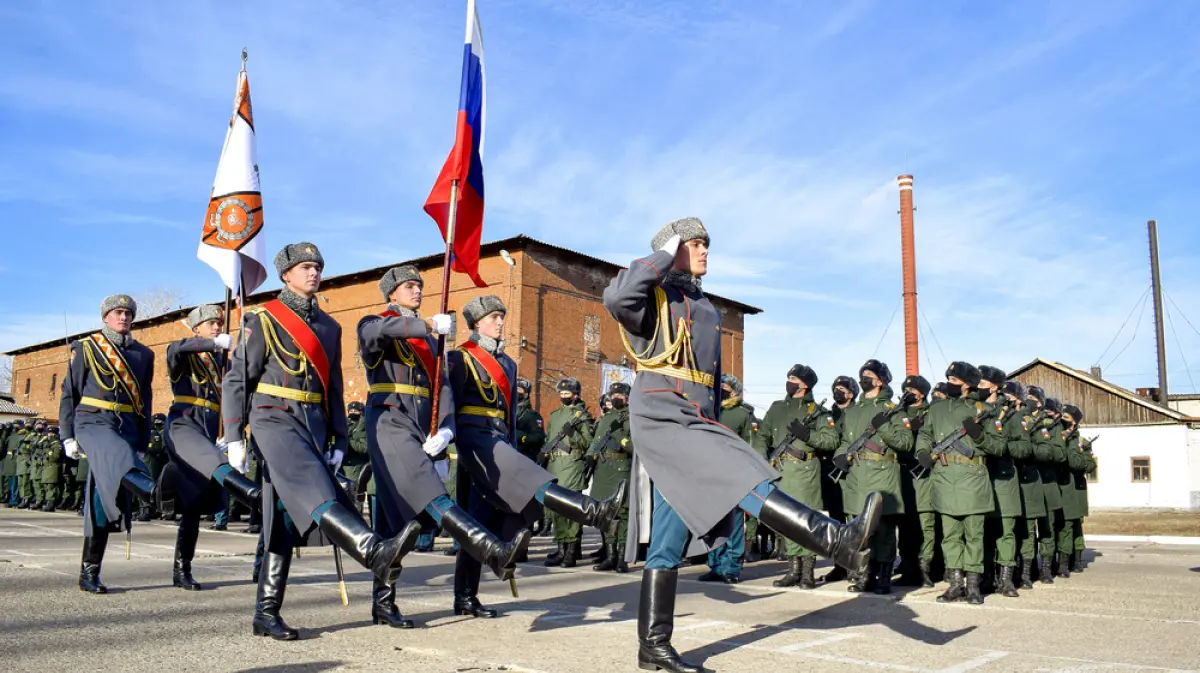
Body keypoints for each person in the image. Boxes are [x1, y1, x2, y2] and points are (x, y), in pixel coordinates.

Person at [603, 217, 881, 673]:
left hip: (695, 416)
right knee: (741, 476)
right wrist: (663, 254)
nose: (706, 250)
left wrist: (711, 419)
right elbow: (615, 297)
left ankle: (652, 646)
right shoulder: (653, 297)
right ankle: (835, 540)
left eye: (706, 244)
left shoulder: (701, 302)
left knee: (668, 541)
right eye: (694, 244)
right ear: (672, 249)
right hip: (662, 412)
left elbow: (709, 378)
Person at [222, 243, 422, 640]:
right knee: (315, 489)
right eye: (305, 267)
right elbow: (238, 379)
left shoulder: (330, 327)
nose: (313, 273)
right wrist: (233, 435)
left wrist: (338, 436)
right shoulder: (263, 318)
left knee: (281, 518)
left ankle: (265, 612)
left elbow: (331, 387)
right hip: (271, 417)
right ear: (286, 275)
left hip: (311, 424)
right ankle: (373, 551)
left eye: (317, 267)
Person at [357, 265, 530, 629]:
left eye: (419, 285)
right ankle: (491, 551)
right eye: (409, 286)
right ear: (391, 293)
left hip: (422, 427)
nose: (417, 291)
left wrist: (446, 431)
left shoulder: (432, 340)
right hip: (389, 418)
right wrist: (430, 326)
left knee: (396, 524)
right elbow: (378, 332)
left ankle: (383, 603)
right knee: (420, 506)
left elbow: (444, 390)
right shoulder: (377, 322)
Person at [447, 294, 626, 618]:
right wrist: (448, 439)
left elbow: (510, 414)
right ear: (476, 324)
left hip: (500, 441)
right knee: (484, 511)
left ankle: (465, 597)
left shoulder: (508, 364)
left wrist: (512, 444)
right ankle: (591, 511)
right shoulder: (460, 358)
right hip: (473, 441)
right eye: (493, 318)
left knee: (482, 521)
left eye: (502, 316)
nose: (500, 322)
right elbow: (450, 403)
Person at [59, 294, 158, 594]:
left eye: (128, 313)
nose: (124, 317)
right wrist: (66, 435)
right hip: (93, 422)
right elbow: (69, 393)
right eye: (118, 312)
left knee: (104, 499)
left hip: (125, 429)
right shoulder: (86, 347)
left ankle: (90, 571)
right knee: (112, 468)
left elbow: (146, 400)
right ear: (105, 317)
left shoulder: (143, 355)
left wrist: (142, 439)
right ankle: (155, 490)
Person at [163, 303, 263, 591]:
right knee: (195, 490)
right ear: (196, 329)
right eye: (210, 324)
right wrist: (209, 344)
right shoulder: (186, 355)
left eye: (219, 323)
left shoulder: (225, 363)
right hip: (185, 423)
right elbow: (177, 349)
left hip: (211, 431)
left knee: (194, 505)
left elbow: (236, 397)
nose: (217, 327)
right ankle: (250, 495)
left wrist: (231, 434)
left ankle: (182, 569)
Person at [915, 362, 1006, 606]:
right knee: (950, 536)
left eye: (954, 380)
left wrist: (978, 435)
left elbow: (998, 447)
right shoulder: (937, 409)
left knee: (974, 536)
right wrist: (922, 451)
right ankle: (955, 584)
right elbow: (925, 435)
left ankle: (973, 586)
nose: (949, 383)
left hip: (973, 479)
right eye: (948, 379)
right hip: (944, 477)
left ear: (967, 384)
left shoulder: (984, 409)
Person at [832, 360, 914, 595]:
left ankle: (884, 577)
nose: (865, 377)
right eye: (863, 374)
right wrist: (840, 456)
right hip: (857, 476)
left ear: (881, 380)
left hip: (882, 475)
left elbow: (906, 443)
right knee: (861, 531)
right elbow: (846, 441)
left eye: (870, 374)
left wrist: (885, 427)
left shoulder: (893, 409)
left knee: (884, 531)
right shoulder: (854, 411)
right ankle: (864, 575)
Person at [757, 365, 839, 590]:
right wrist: (762, 460)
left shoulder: (818, 412)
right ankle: (793, 570)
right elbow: (762, 436)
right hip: (780, 470)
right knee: (786, 521)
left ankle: (807, 572)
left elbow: (831, 441)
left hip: (805, 471)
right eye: (788, 378)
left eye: (793, 378)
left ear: (805, 384)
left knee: (806, 521)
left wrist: (808, 435)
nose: (789, 381)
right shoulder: (776, 408)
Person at [984, 374, 1032, 598]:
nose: (979, 387)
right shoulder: (975, 409)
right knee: (981, 532)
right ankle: (985, 577)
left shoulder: (1012, 415)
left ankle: (1006, 579)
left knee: (1005, 531)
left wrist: (1001, 447)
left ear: (994, 387)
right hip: (980, 479)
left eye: (983, 383)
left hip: (1003, 479)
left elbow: (1024, 448)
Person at [542, 377, 595, 568]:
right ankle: (561, 548)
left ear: (576, 395)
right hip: (554, 464)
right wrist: (543, 454)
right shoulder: (555, 415)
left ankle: (571, 552)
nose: (564, 397)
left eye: (567, 394)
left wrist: (572, 434)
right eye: (561, 394)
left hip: (572, 464)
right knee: (556, 508)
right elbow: (549, 437)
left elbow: (588, 443)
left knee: (571, 509)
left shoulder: (582, 416)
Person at [590, 381, 634, 573]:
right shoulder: (606, 418)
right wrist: (589, 460)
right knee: (605, 513)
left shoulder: (633, 418)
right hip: (603, 470)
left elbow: (634, 447)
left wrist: (619, 436)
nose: (615, 398)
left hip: (621, 468)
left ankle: (622, 558)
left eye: (619, 396)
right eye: (613, 396)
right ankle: (610, 556)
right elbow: (595, 442)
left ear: (627, 398)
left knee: (622, 514)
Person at [820, 375, 859, 583]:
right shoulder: (827, 414)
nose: (837, 391)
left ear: (851, 393)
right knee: (835, 523)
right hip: (830, 473)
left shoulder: (858, 413)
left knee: (853, 522)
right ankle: (839, 566)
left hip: (850, 473)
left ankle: (854, 566)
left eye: (842, 388)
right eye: (835, 387)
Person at [896, 374, 934, 587]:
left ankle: (925, 569)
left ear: (922, 393)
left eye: (912, 390)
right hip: (903, 474)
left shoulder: (931, 413)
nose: (908, 393)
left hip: (924, 476)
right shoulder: (899, 413)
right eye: (905, 389)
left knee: (925, 524)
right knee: (906, 527)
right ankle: (908, 568)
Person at [1029, 392, 1066, 583]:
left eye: (1033, 399)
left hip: (1047, 482)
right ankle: (1027, 571)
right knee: (1026, 531)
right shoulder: (1021, 419)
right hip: (1027, 482)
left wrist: (1040, 451)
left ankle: (1045, 569)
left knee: (1047, 528)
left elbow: (1060, 454)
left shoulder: (1051, 425)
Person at [1058, 404, 1089, 578]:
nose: (1063, 421)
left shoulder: (1080, 442)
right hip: (1062, 485)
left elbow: (1088, 464)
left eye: (1067, 418)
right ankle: (1064, 561)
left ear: (1075, 422)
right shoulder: (1059, 438)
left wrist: (1081, 460)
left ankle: (1074, 560)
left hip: (1075, 488)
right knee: (1064, 526)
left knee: (1074, 525)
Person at [343, 401, 369, 512]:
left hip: (355, 467)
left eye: (356, 411)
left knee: (355, 497)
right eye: (351, 411)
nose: (353, 413)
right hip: (343, 466)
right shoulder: (345, 424)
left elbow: (364, 447)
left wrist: (349, 442)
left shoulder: (362, 426)